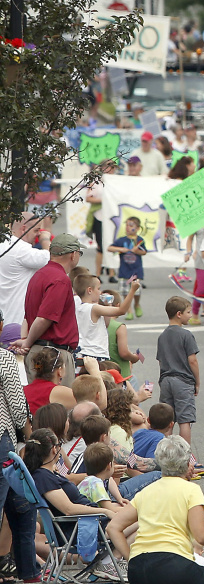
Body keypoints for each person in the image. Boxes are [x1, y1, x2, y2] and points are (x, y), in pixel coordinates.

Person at [107, 435, 204, 584]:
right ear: (187, 462)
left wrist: (131, 557)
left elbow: (113, 527)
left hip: (138, 566)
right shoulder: (190, 490)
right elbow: (202, 536)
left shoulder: (146, 492)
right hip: (172, 561)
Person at [23, 428, 123, 581]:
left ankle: (107, 562)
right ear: (54, 449)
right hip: (82, 528)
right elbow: (68, 509)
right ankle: (108, 562)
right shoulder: (43, 477)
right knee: (138, 522)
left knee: (136, 516)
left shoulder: (47, 473)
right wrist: (106, 511)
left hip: (85, 522)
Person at [13, 234, 84, 383]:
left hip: (40, 350)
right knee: (57, 403)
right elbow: (45, 317)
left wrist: (27, 340)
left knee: (38, 401)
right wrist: (27, 342)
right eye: (79, 253)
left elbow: (29, 316)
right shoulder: (60, 279)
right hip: (53, 355)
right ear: (73, 254)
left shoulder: (39, 275)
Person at [0, 320, 37, 583]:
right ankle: (29, 573)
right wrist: (30, 436)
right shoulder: (4, 358)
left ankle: (25, 571)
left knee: (18, 505)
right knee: (23, 508)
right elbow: (16, 403)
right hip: (3, 440)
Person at [0, 212, 50, 349]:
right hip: (16, 323)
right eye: (36, 230)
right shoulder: (21, 250)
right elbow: (53, 260)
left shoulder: (3, 244)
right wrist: (46, 239)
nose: (38, 235)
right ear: (23, 229)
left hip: (3, 318)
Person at [156, 297, 200, 446]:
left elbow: (160, 361)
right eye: (188, 312)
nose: (191, 315)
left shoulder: (162, 336)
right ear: (179, 314)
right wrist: (197, 381)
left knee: (168, 419)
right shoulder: (186, 335)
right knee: (184, 420)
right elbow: (192, 360)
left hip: (166, 380)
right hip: (183, 380)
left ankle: (166, 453)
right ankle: (185, 455)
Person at [74, 274, 139, 367]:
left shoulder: (76, 304)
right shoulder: (94, 308)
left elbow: (106, 324)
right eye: (98, 289)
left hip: (80, 353)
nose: (100, 292)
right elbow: (121, 310)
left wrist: (107, 304)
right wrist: (132, 290)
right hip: (95, 354)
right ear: (89, 290)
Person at [107, 217, 147, 320]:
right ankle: (129, 310)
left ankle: (137, 304)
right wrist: (121, 249)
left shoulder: (140, 240)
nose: (128, 228)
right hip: (124, 271)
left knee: (137, 291)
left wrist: (136, 251)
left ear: (138, 228)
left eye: (131, 225)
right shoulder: (121, 240)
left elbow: (144, 252)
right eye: (127, 225)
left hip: (136, 272)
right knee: (125, 292)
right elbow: (110, 248)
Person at [78, 442, 127, 511]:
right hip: (94, 519)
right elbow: (110, 509)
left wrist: (120, 499)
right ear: (109, 466)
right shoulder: (96, 483)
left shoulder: (91, 480)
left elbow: (109, 480)